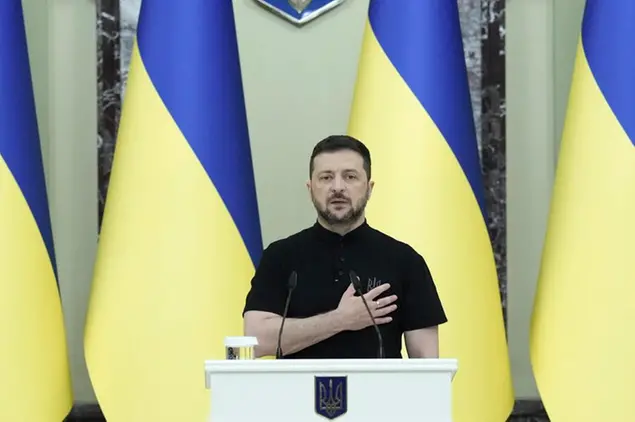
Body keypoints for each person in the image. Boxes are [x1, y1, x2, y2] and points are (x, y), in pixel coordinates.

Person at [243, 135, 447, 359]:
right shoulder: (280, 256)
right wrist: (340, 320)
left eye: (350, 177)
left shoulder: (405, 260)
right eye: (326, 177)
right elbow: (255, 341)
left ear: (369, 188)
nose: (337, 187)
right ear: (310, 188)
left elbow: (428, 364)